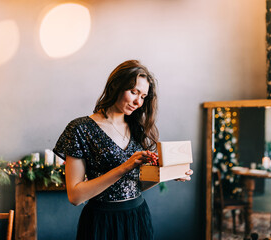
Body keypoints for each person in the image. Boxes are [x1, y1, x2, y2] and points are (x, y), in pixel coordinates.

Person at [53, 60, 193, 240]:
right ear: (115, 86)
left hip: (137, 216)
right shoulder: (80, 128)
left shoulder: (137, 129)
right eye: (133, 92)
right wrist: (124, 167)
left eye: (143, 96)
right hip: (102, 222)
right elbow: (75, 196)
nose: (138, 102)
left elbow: (134, 187)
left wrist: (167, 173)